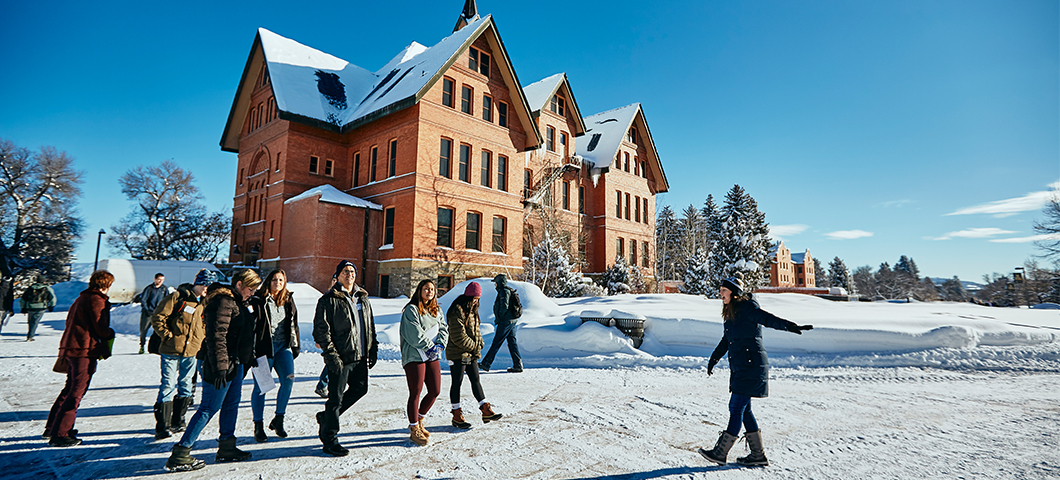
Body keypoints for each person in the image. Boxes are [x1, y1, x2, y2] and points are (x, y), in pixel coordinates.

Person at [698, 272, 813, 467]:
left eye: (724, 291)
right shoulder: (732, 312)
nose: (721, 294)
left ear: (734, 293)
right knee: (744, 410)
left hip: (751, 365)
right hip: (742, 365)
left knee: (736, 407)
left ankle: (720, 452)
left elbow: (768, 319)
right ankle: (757, 455)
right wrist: (714, 358)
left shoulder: (747, 307)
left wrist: (790, 326)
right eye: (720, 291)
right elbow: (728, 339)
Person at [164, 269, 260, 472]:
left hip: (235, 364)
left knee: (231, 405)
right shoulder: (223, 301)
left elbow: (242, 334)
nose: (252, 293)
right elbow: (217, 337)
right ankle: (181, 453)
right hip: (218, 364)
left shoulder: (239, 303)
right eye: (250, 288)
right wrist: (220, 368)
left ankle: (227, 447)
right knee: (209, 407)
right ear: (240, 284)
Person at [313, 260, 378, 457]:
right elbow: (322, 332)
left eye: (352, 271)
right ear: (338, 276)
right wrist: (332, 357)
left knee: (361, 389)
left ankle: (326, 418)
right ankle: (330, 438)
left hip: (360, 355)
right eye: (345, 271)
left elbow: (370, 326)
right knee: (335, 398)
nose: (349, 274)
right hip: (340, 357)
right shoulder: (328, 300)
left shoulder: (363, 298)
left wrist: (373, 348)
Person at [44, 270, 116, 447]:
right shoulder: (96, 300)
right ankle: (60, 434)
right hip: (83, 350)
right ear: (106, 284)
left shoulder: (82, 298)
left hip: (72, 347)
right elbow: (100, 326)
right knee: (77, 390)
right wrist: (109, 334)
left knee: (69, 389)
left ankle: (54, 427)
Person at [149, 269, 212, 440]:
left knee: (185, 385)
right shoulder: (177, 297)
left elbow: (204, 324)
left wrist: (200, 338)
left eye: (209, 285)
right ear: (197, 283)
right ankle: (162, 425)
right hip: (171, 350)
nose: (207, 288)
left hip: (191, 352)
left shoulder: (203, 304)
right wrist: (168, 335)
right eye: (205, 284)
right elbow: (158, 317)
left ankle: (178, 420)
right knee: (168, 385)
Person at [250, 269, 300, 443]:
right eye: (274, 280)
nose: (278, 283)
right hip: (264, 348)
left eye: (281, 280)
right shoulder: (258, 299)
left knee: (289, 379)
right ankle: (258, 425)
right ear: (268, 281)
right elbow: (252, 325)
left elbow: (294, 323)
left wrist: (295, 346)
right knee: (262, 387)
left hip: (283, 347)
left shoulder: (287, 299)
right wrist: (252, 349)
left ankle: (279, 419)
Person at [446, 281, 502, 430]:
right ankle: (456, 415)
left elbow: (475, 331)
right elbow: (459, 336)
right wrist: (475, 346)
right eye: (474, 298)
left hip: (470, 353)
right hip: (457, 353)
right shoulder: (456, 310)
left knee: (476, 380)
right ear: (468, 297)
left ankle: (485, 410)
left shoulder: (472, 310)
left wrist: (480, 342)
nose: (476, 301)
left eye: (478, 298)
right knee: (457, 382)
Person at [399, 279, 447, 445]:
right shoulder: (411, 310)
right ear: (419, 290)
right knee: (416, 391)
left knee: (435, 390)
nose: (429, 292)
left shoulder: (436, 310)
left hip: (432, 355)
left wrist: (440, 345)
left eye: (432, 289)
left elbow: (443, 329)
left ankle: (419, 419)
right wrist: (430, 347)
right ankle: (413, 429)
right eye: (426, 288)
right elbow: (414, 333)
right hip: (414, 355)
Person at [479, 274, 522, 373]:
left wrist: (500, 317)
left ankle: (486, 364)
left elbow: (504, 307)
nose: (494, 285)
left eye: (495, 282)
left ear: (499, 282)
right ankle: (518, 365)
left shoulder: (504, 292)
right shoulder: (506, 290)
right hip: (510, 320)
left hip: (506, 321)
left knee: (496, 342)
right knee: (512, 343)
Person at [139, 273, 169, 354]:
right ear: (155, 279)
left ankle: (158, 346)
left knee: (159, 329)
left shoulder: (164, 289)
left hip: (159, 313)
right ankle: (142, 345)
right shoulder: (149, 289)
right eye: (159, 279)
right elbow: (143, 300)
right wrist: (147, 309)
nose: (160, 282)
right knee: (144, 330)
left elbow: (167, 300)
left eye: (162, 280)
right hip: (148, 313)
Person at [20, 274, 57, 341]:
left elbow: (23, 299)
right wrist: (51, 306)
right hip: (41, 307)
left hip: (30, 307)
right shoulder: (47, 288)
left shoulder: (30, 288)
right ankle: (30, 336)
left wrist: (23, 308)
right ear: (44, 281)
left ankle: (30, 334)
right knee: (35, 322)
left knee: (30, 321)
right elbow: (52, 298)